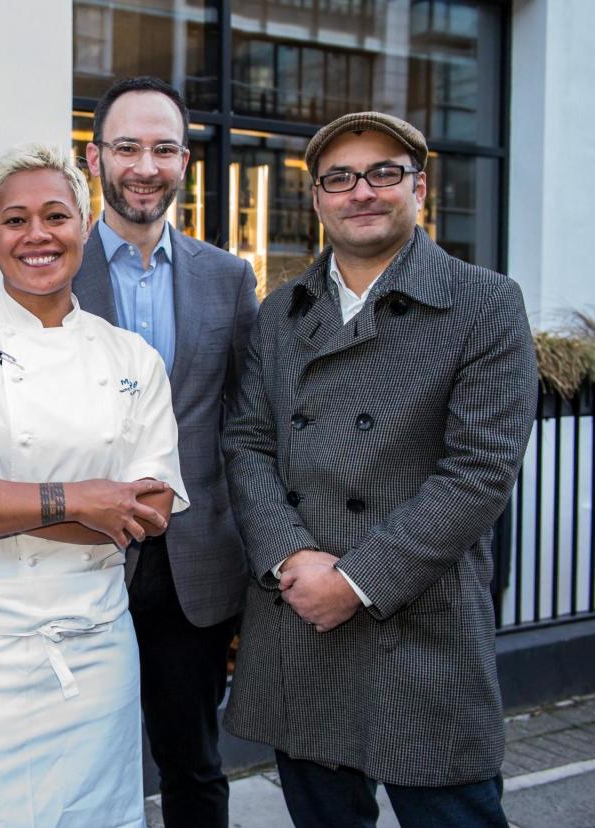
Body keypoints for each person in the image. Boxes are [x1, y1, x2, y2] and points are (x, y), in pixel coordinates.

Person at [221, 111, 537, 827]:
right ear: (318, 198)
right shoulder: (281, 312)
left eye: (383, 172)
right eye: (340, 178)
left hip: (420, 625)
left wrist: (356, 582)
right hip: (301, 617)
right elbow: (246, 442)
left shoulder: (484, 303)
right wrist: (293, 558)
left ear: (419, 187)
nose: (361, 192)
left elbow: (479, 471)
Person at [0, 142, 187, 828]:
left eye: (56, 215)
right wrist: (78, 500)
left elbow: (149, 513)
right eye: (15, 220)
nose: (37, 235)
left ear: (84, 225)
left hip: (92, 657)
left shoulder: (130, 357)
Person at [71, 75, 258, 828]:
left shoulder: (228, 278)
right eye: (127, 147)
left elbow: (246, 428)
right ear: (94, 159)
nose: (144, 166)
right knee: (81, 761)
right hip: (76, 558)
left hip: (194, 568)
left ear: (185, 160)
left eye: (163, 148)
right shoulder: (51, 271)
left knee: (193, 765)